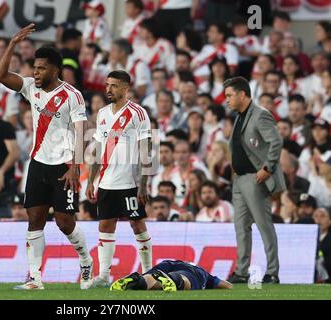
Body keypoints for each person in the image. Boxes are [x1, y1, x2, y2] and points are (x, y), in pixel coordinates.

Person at [0, 23, 93, 290]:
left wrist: (76, 166)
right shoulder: (30, 87)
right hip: (38, 163)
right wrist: (12, 44)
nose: (35, 72)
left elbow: (82, 131)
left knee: (64, 222)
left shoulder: (73, 96)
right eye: (34, 68)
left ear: (55, 69)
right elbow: (0, 75)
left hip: (63, 165)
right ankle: (35, 278)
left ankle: (85, 260)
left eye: (40, 68)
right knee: (35, 218)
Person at [85, 70, 153, 288]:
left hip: (129, 183)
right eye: (107, 85)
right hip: (106, 182)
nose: (108, 89)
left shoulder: (138, 113)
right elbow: (97, 150)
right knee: (105, 225)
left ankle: (148, 272)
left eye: (114, 85)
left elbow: (146, 151)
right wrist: (90, 182)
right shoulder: (103, 114)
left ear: (125, 88)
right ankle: (104, 276)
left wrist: (143, 185)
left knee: (137, 224)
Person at [224, 77, 286, 284]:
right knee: (241, 226)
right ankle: (242, 271)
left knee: (263, 224)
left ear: (242, 94)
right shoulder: (240, 116)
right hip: (240, 179)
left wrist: (267, 168)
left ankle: (272, 271)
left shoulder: (261, 115)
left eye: (230, 96)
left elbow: (275, 142)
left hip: (255, 178)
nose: (227, 100)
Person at [110, 259, 233, 292]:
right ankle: (172, 279)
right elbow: (227, 286)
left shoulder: (176, 262)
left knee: (152, 278)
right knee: (184, 280)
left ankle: (136, 280)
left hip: (167, 263)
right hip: (192, 272)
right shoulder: (205, 274)